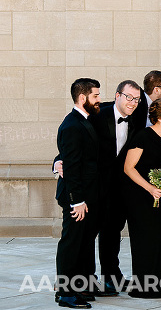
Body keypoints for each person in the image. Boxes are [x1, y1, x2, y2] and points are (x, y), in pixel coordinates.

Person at [122, 98, 161, 298]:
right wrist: (150, 188)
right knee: (146, 237)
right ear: (160, 119)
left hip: (157, 189)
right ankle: (145, 286)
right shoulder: (143, 136)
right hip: (138, 192)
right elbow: (128, 168)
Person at [90, 80, 141, 294]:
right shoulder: (97, 115)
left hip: (120, 187)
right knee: (89, 234)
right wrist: (59, 160)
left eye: (136, 99)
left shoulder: (137, 119)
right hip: (95, 186)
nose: (132, 102)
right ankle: (84, 280)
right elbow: (76, 139)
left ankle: (112, 277)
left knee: (112, 232)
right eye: (129, 97)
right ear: (117, 95)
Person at [55, 78, 101, 309]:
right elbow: (71, 166)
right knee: (71, 244)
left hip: (87, 195)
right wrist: (77, 201)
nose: (99, 100)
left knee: (82, 244)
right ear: (83, 98)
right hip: (76, 199)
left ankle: (76, 288)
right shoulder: (72, 125)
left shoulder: (85, 119)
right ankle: (65, 294)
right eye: (95, 96)